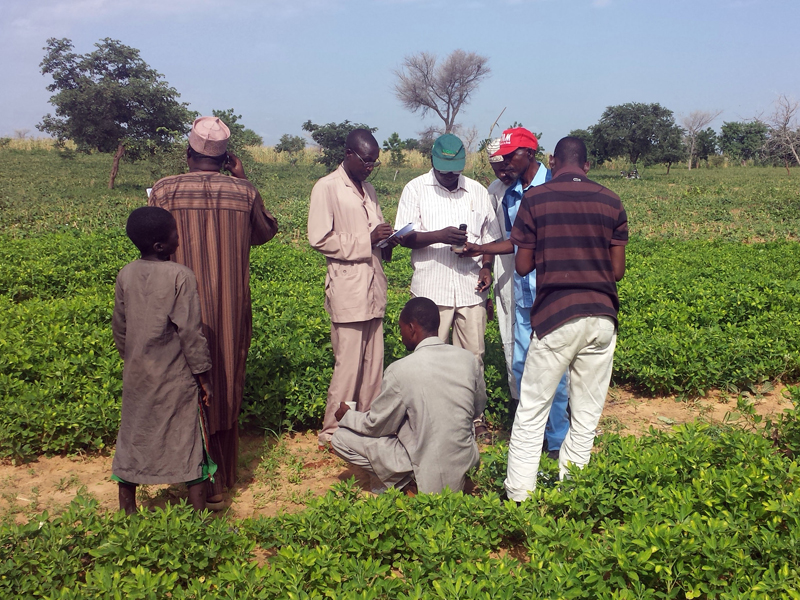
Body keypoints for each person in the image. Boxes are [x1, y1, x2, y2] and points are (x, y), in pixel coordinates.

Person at [148, 116, 278, 508]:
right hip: (230, 307)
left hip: (176, 307)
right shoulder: (243, 192)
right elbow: (265, 233)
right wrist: (242, 178)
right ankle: (224, 474)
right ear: (226, 158)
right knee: (225, 378)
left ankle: (191, 476)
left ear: (188, 153)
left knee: (184, 381)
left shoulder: (165, 190)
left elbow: (149, 239)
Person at [503, 137, 628, 502]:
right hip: (601, 317)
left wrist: (552, 252)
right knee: (586, 414)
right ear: (587, 166)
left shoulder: (536, 199)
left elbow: (523, 265)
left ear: (552, 162)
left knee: (532, 410)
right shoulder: (611, 200)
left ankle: (519, 497)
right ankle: (573, 491)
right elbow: (617, 271)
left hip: (557, 315)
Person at [465, 128, 570, 458]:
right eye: (501, 160)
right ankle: (531, 436)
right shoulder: (503, 191)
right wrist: (484, 256)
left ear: (530, 154)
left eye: (511, 158)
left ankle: (556, 442)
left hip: (552, 291)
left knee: (556, 369)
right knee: (523, 364)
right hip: (521, 290)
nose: (505, 165)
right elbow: (509, 237)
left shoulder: (555, 187)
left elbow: (527, 239)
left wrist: (483, 248)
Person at [394, 133, 501, 438]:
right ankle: (426, 418)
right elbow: (404, 237)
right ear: (433, 162)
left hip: (470, 288)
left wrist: (486, 268)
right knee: (428, 357)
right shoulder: (415, 189)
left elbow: (491, 240)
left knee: (473, 356)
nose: (450, 176)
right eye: (444, 171)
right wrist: (440, 235)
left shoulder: (477, 192)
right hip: (432, 290)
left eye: (455, 171)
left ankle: (473, 418)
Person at [111, 206, 215, 515]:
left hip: (138, 373)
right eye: (175, 236)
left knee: (133, 433)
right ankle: (199, 516)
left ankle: (127, 509)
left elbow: (120, 327)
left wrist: (132, 358)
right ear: (161, 246)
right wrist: (203, 375)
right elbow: (190, 332)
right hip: (175, 375)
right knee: (186, 437)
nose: (179, 239)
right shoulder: (180, 276)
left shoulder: (126, 273)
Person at [331, 297, 486, 494]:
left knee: (341, 438)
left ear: (412, 328)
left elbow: (376, 426)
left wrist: (347, 416)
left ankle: (406, 482)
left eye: (401, 328)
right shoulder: (467, 359)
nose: (401, 334)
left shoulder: (400, 370)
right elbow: (478, 406)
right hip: (466, 465)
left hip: (429, 474)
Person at [307, 129, 398, 447]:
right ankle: (333, 431)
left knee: (373, 367)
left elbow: (376, 232)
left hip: (373, 286)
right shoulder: (327, 188)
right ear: (348, 155)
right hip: (347, 288)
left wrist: (386, 240)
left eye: (375, 162)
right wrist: (366, 240)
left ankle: (365, 427)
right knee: (348, 366)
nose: (370, 167)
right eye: (366, 161)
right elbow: (319, 238)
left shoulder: (369, 189)